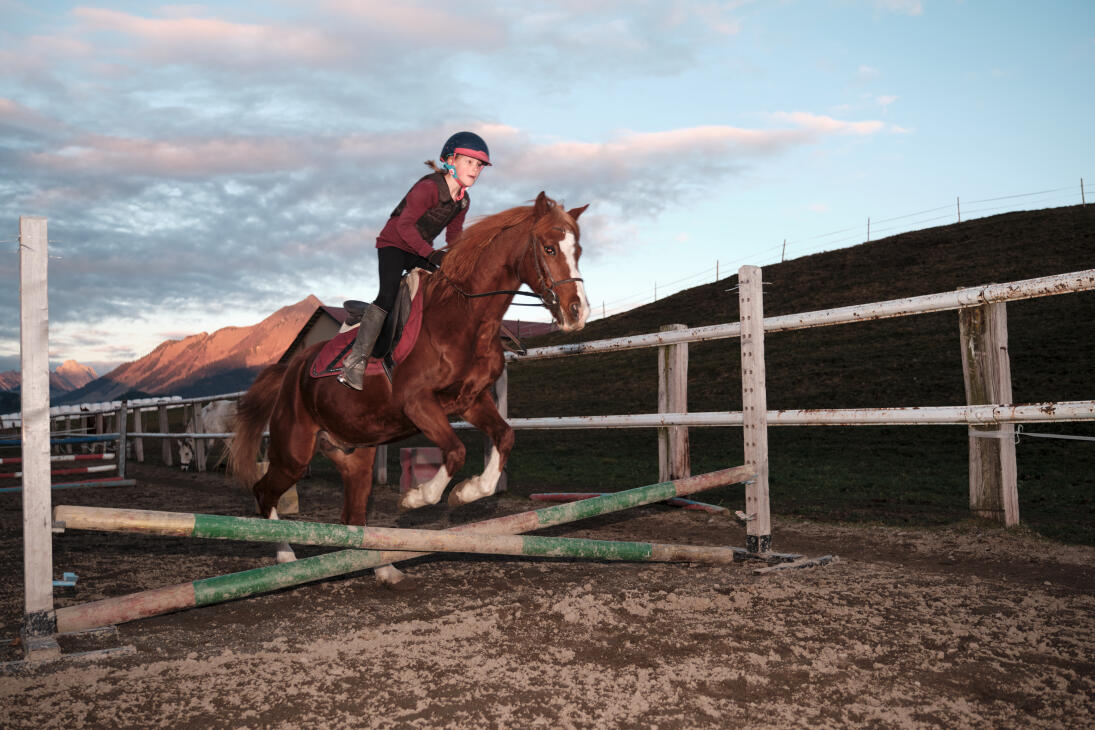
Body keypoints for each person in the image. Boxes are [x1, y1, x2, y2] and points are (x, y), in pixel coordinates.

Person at [339, 131, 491, 390]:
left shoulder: (463, 201)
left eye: (479, 165)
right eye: (469, 162)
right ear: (450, 161)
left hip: (419, 250)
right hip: (393, 244)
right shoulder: (428, 188)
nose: (475, 169)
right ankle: (355, 361)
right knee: (387, 296)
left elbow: (454, 236)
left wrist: (463, 260)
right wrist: (431, 254)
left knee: (444, 287)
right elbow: (404, 227)